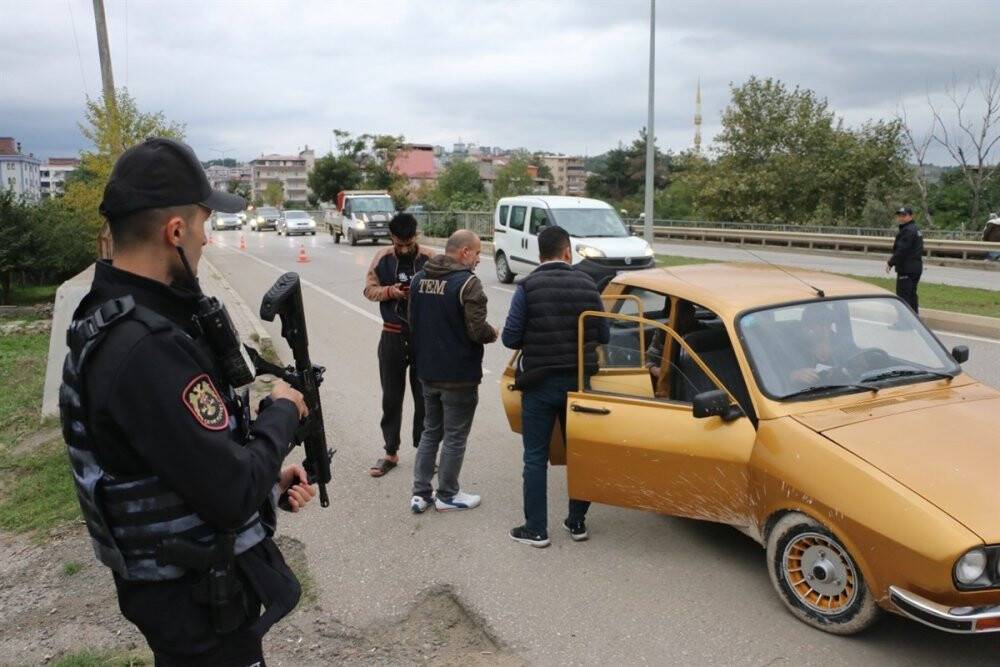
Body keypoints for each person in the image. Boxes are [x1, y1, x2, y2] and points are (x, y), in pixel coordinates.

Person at [59, 137, 315, 665]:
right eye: (201, 227)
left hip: (188, 596)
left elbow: (179, 463)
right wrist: (283, 412)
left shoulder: (112, 315)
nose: (205, 241)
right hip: (199, 612)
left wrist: (269, 477)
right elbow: (228, 493)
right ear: (175, 231)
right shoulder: (145, 349)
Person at [502, 225, 609, 548]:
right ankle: (576, 523)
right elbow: (603, 335)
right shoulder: (588, 283)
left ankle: (536, 530)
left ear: (539, 254)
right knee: (579, 454)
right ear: (567, 252)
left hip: (539, 384)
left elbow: (510, 337)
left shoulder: (528, 286)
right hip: (579, 384)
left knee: (535, 457)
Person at [407, 230, 497, 513]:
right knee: (455, 435)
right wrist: (492, 333)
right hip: (459, 375)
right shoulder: (468, 283)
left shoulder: (419, 280)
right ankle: (447, 494)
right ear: (464, 252)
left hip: (427, 371)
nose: (480, 259)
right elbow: (476, 330)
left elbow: (413, 321)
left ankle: (421, 493)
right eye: (478, 253)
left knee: (430, 431)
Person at [363, 213, 432, 477]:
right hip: (391, 336)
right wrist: (390, 292)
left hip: (423, 339)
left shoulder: (430, 258)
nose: (404, 248)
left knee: (424, 399)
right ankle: (390, 452)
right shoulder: (382, 258)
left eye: (409, 242)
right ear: (391, 238)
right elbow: (369, 290)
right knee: (391, 398)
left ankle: (424, 453)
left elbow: (445, 288)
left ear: (416, 236)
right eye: (399, 243)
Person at [886, 206, 924, 313]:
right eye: (900, 215)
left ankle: (903, 322)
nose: (901, 218)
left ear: (911, 216)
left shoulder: (908, 230)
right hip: (915, 267)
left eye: (904, 215)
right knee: (911, 295)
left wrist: (891, 262)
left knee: (904, 296)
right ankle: (914, 320)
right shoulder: (915, 229)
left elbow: (902, 249)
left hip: (907, 268)